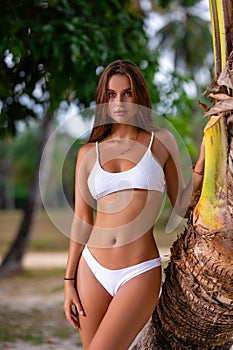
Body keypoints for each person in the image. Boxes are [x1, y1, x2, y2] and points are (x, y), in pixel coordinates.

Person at [63, 59, 205, 350]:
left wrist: (202, 163)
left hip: (138, 271)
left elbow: (181, 206)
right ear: (103, 100)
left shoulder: (160, 141)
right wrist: (69, 280)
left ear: (139, 95)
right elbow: (81, 219)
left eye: (127, 93)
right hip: (92, 268)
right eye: (112, 95)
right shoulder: (88, 152)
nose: (120, 102)